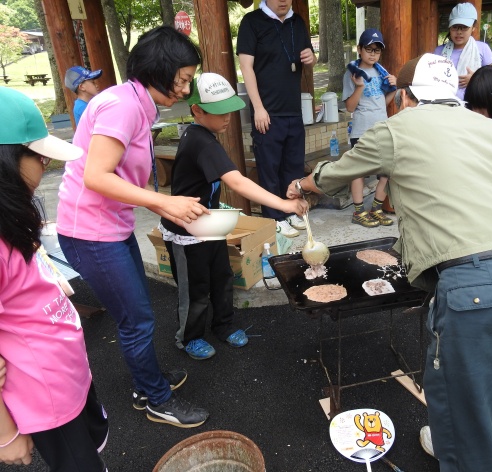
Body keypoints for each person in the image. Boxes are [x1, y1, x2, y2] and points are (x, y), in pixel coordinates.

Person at [287, 53, 492, 472]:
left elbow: (338, 173)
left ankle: (465, 449)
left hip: (479, 290)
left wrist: (304, 184)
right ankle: (461, 439)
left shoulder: (398, 127)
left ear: (404, 94)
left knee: (468, 435)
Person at [56, 26, 210, 428]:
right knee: (137, 319)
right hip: (90, 232)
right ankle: (156, 398)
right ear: (159, 70)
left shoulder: (137, 103)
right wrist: (164, 201)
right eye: (182, 78)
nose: (184, 88)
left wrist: (166, 205)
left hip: (109, 225)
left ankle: (147, 381)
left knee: (136, 312)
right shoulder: (123, 106)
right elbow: (97, 176)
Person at [160, 72, 308, 360]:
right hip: (185, 230)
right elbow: (237, 182)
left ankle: (224, 325)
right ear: (197, 111)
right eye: (219, 112)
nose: (227, 118)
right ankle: (189, 337)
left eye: (230, 109)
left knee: (222, 276)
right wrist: (283, 204)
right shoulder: (199, 140)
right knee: (195, 288)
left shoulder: (207, 135)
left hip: (210, 223)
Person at [0, 87, 108, 470]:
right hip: (44, 397)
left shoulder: (10, 217)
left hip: (65, 376)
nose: (46, 162)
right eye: (39, 155)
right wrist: (5, 433)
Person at [237, 0, 315, 238]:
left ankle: (291, 212)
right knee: (269, 168)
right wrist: (258, 108)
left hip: (293, 108)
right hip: (267, 111)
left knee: (293, 166)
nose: (283, 0)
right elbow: (246, 67)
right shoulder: (252, 22)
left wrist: (312, 58)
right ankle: (274, 218)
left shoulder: (297, 22)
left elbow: (309, 58)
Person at [342, 28, 396, 228]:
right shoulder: (352, 73)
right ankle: (358, 212)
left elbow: (383, 101)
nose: (373, 53)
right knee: (359, 172)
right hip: (362, 130)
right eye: (369, 49)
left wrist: (395, 86)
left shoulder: (381, 72)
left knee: (386, 172)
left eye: (377, 50)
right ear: (359, 49)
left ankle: (376, 209)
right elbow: (349, 107)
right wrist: (359, 87)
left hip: (382, 128)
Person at [434, 2, 492, 100]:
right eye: (455, 27)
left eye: (464, 27)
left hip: (474, 105)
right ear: (449, 27)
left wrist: (475, 79)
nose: (459, 32)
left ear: (473, 27)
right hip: (443, 104)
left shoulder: (483, 49)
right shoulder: (439, 51)